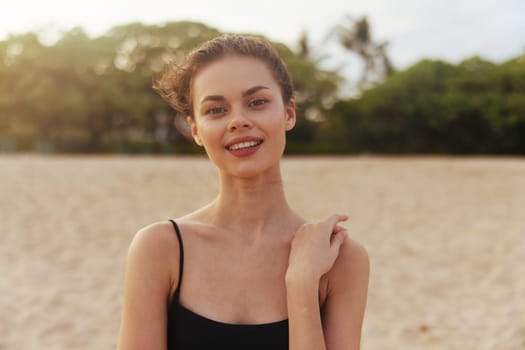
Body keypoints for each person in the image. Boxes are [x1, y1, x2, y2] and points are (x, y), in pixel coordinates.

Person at [116, 34, 370, 350]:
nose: (238, 120)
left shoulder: (339, 258)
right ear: (195, 130)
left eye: (257, 102)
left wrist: (302, 284)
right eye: (216, 110)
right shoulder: (158, 249)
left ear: (289, 113)